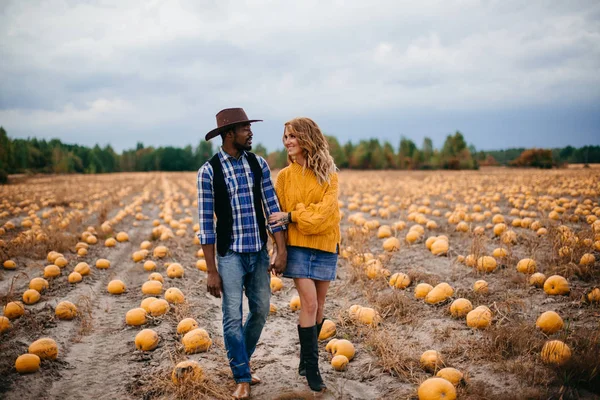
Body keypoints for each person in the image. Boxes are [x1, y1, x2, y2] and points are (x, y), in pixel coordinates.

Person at [197, 108, 287, 400]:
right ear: (228, 134)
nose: (251, 132)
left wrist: (280, 249)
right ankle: (242, 377)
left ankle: (241, 361)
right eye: (245, 128)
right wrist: (211, 270)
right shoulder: (209, 171)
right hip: (230, 256)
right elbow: (206, 225)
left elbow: (272, 210)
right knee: (232, 317)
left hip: (258, 252)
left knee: (260, 310)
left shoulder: (257, 164)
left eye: (250, 127)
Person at [268, 117, 340, 393]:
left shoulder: (329, 174)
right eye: (285, 137)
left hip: (325, 246)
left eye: (292, 136)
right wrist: (280, 247)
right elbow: (276, 219)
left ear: (306, 138)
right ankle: (312, 367)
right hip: (297, 248)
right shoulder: (284, 178)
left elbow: (325, 215)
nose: (287, 141)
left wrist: (293, 215)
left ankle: (304, 359)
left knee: (320, 306)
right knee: (309, 304)